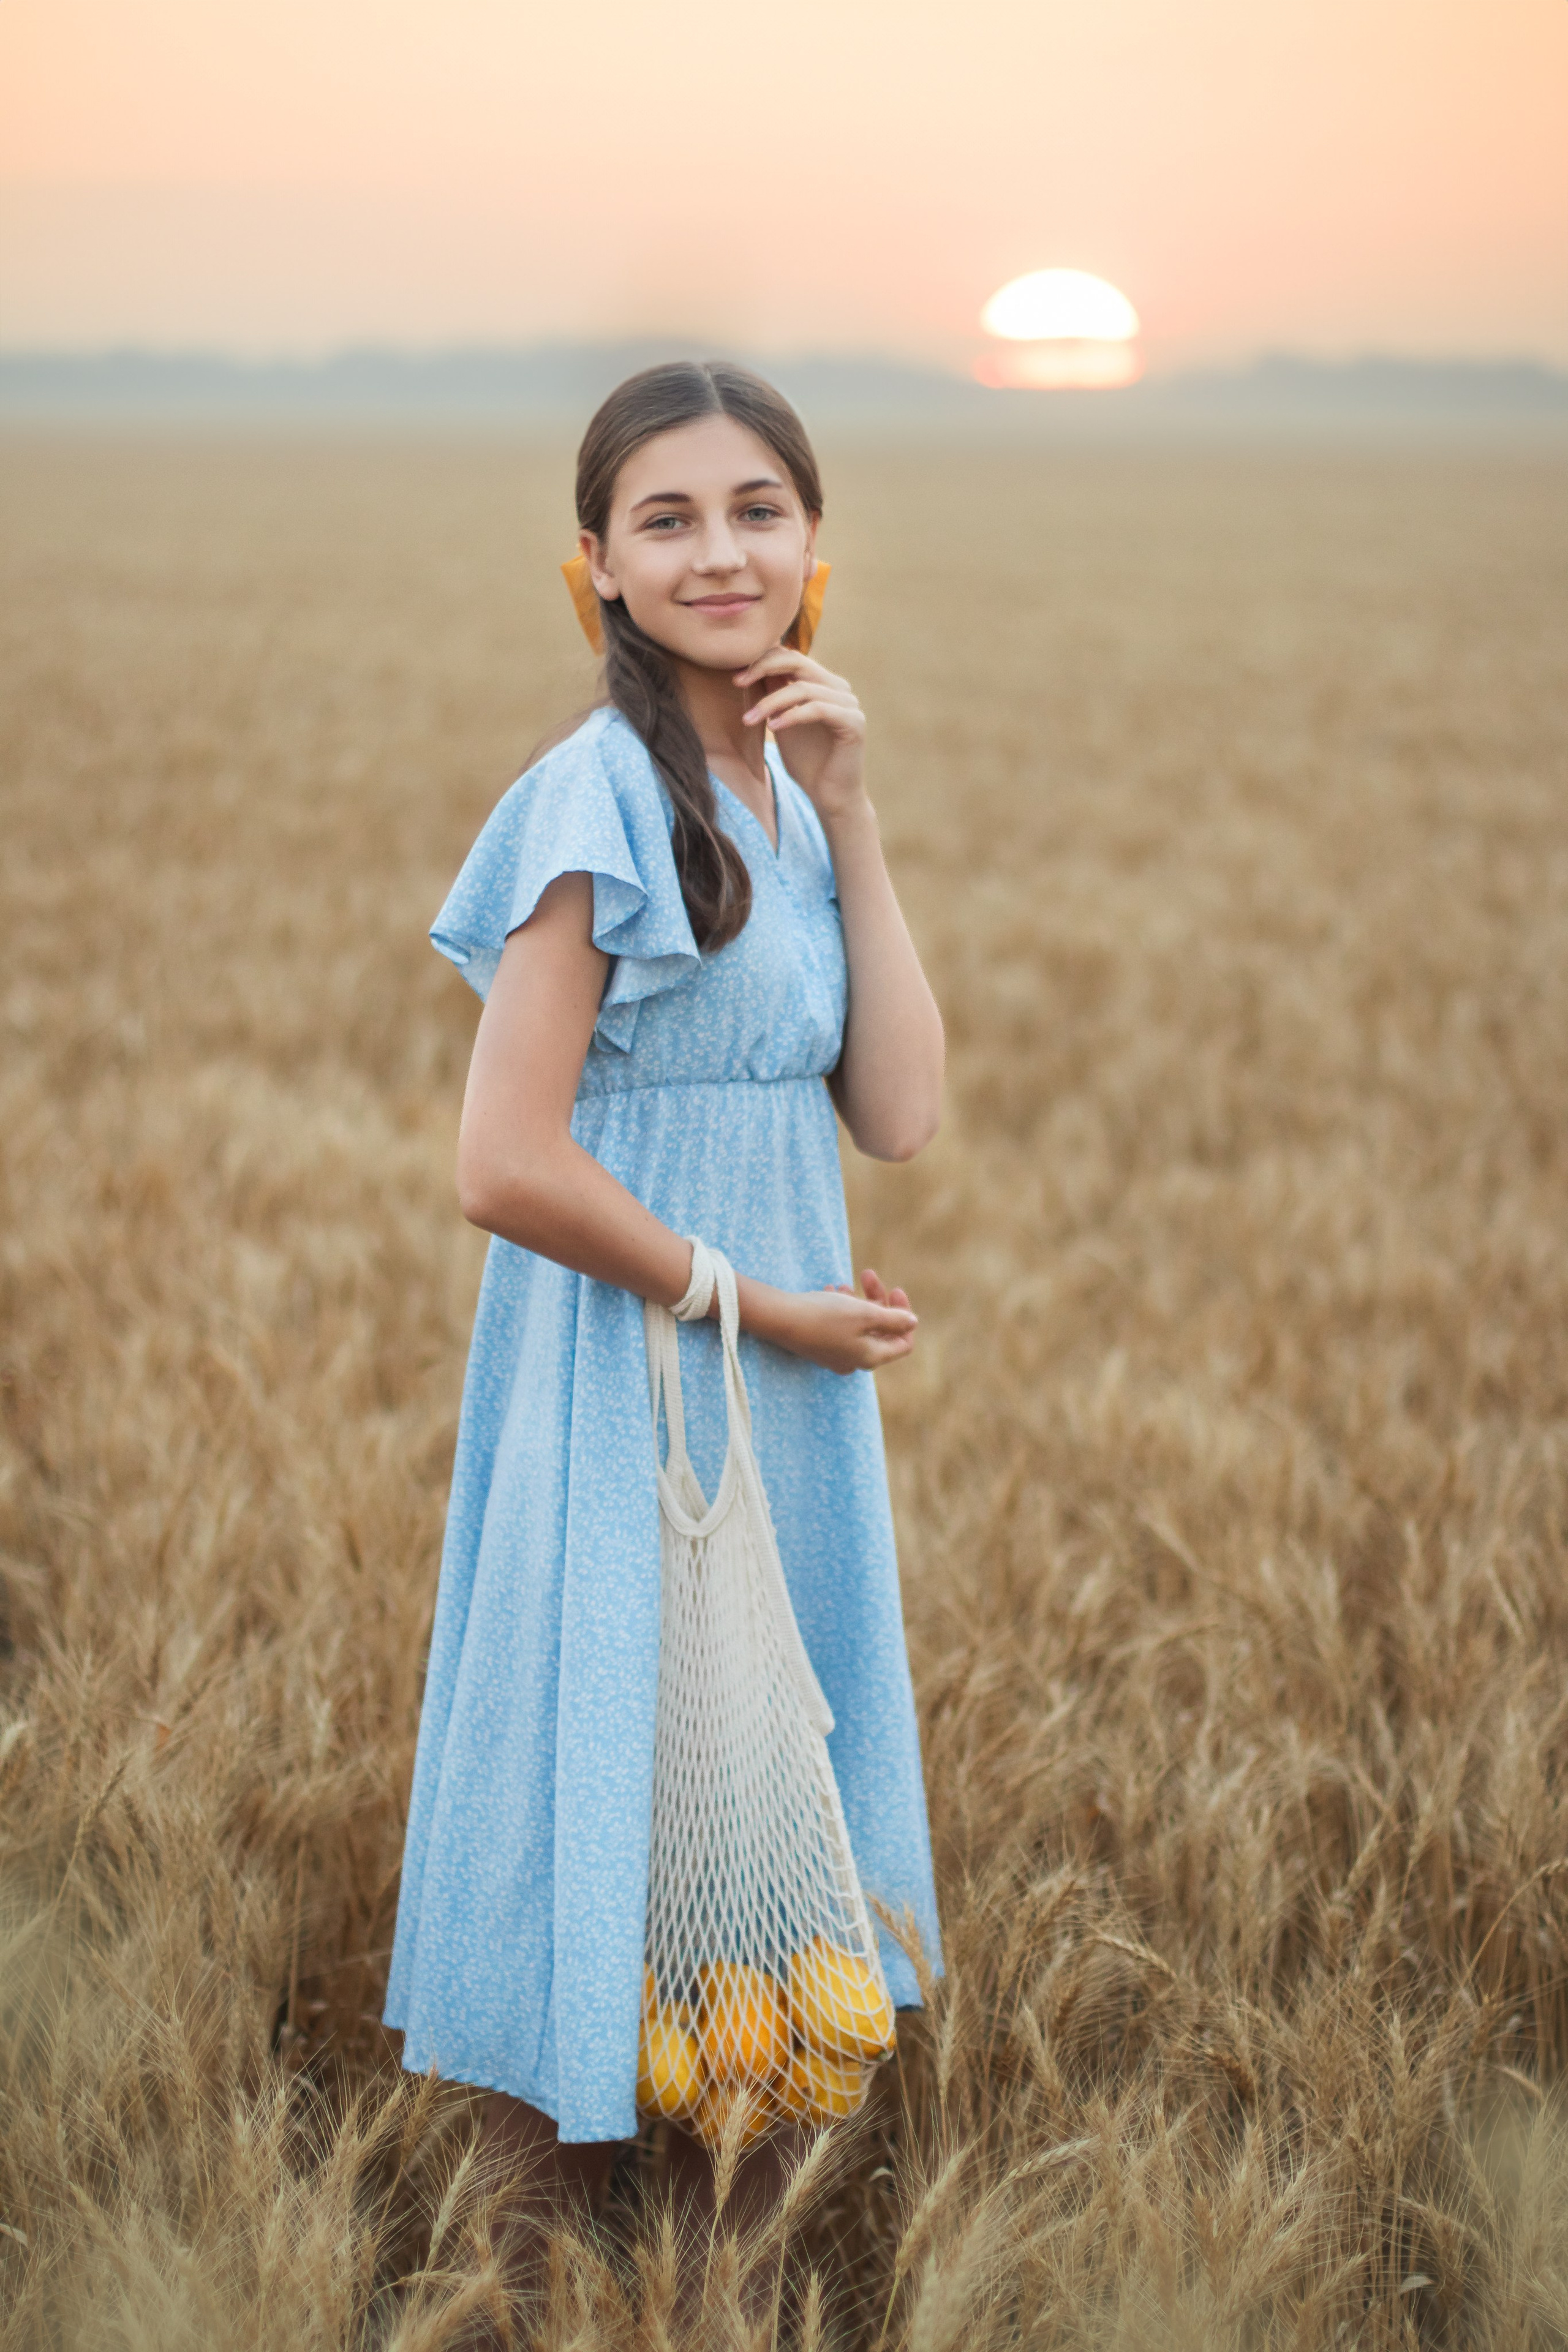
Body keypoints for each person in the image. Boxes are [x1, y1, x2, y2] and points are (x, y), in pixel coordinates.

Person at [382, 359, 945, 2244]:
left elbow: (899, 1110)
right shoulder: (593, 794)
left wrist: (853, 812)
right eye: (669, 519)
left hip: (779, 1384)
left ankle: (743, 2268)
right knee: (626, 1776)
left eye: (759, 510)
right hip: (641, 1368)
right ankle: (553, 2259)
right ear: (598, 569)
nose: (723, 552)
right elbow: (502, 1160)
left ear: (813, 546)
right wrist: (751, 1307)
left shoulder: (784, 789)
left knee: (771, 1816)